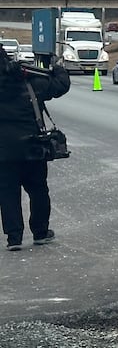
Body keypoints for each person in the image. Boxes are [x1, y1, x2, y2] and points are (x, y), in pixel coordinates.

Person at [0, 42, 71, 251]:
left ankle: (14, 238)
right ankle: (40, 232)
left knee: (7, 193)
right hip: (32, 146)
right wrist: (58, 66)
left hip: (3, 151)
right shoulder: (29, 81)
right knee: (38, 190)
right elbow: (60, 85)